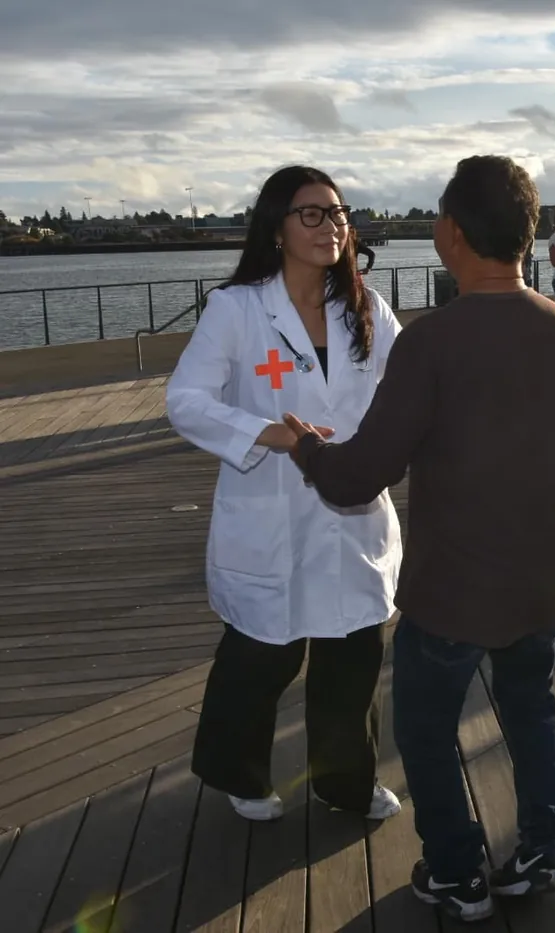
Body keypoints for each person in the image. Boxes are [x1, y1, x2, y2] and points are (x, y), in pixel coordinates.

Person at [283, 155, 555, 922]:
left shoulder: (432, 341)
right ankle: (544, 848)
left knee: (423, 726)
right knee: (532, 708)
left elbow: (361, 475)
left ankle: (458, 870)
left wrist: (307, 448)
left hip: (454, 587)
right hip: (543, 579)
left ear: (451, 233)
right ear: (526, 234)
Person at [165, 165, 404, 823]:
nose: (332, 225)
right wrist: (266, 432)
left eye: (339, 213)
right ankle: (237, 771)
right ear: (277, 226)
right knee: (259, 658)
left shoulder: (365, 307)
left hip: (353, 508)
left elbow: (408, 389)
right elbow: (185, 401)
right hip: (269, 510)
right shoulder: (238, 309)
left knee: (353, 656)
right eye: (313, 213)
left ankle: (345, 782)